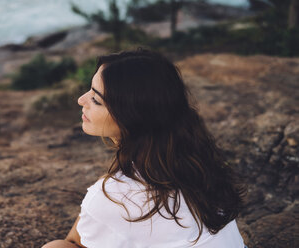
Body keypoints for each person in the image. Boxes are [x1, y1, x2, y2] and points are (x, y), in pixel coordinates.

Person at [42, 49, 246, 248]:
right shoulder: (197, 163)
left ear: (131, 117)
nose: (81, 100)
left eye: (96, 100)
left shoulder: (114, 197)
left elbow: (74, 243)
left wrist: (105, 194)